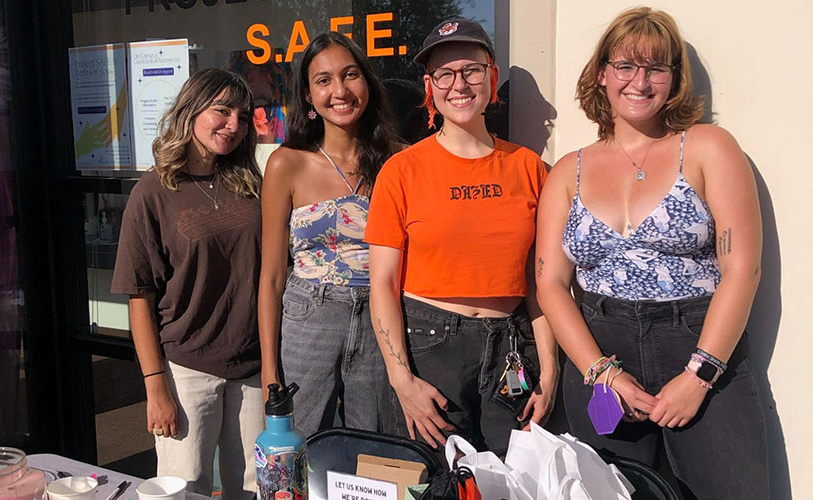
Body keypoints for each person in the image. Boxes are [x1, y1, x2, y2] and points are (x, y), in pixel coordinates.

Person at [535, 7, 769, 498]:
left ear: (673, 79)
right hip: (600, 348)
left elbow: (742, 268)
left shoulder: (708, 147)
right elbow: (551, 283)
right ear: (601, 75)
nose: (639, 81)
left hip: (701, 342)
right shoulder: (568, 172)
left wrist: (700, 374)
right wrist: (602, 372)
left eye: (656, 68)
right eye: (625, 66)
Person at [365, 19, 559, 454]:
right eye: (444, 74)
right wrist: (402, 380)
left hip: (512, 343)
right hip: (429, 347)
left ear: (491, 77)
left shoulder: (530, 169)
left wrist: (549, 369)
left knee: (511, 478)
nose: (460, 85)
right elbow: (382, 283)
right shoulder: (402, 171)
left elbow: (539, 280)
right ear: (429, 87)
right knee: (436, 479)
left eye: (471, 70)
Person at [111, 69, 264, 498]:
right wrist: (154, 385)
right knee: (186, 487)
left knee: (253, 489)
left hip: (254, 370)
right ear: (191, 109)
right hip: (188, 371)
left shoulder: (250, 184)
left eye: (243, 115)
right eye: (221, 111)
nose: (233, 125)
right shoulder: (154, 191)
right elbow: (139, 295)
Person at [258, 32, 399, 438]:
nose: (339, 91)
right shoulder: (287, 164)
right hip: (309, 317)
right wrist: (270, 369)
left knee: (373, 451)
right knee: (298, 447)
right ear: (307, 96)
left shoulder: (396, 162)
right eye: (323, 80)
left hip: (379, 321)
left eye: (350, 75)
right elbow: (271, 276)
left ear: (367, 83)